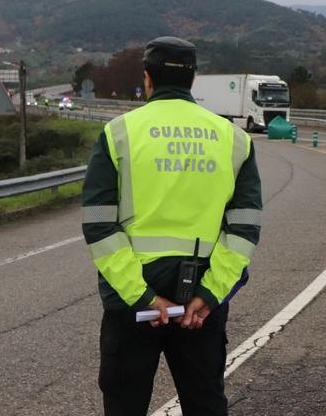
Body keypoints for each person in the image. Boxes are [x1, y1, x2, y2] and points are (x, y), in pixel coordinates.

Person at [81, 36, 262, 416]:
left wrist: (142, 297)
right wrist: (209, 296)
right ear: (192, 80)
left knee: (124, 406)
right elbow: (244, 229)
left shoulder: (118, 134)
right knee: (205, 404)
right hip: (200, 302)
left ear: (148, 78)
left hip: (133, 304)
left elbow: (99, 226)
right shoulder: (235, 139)